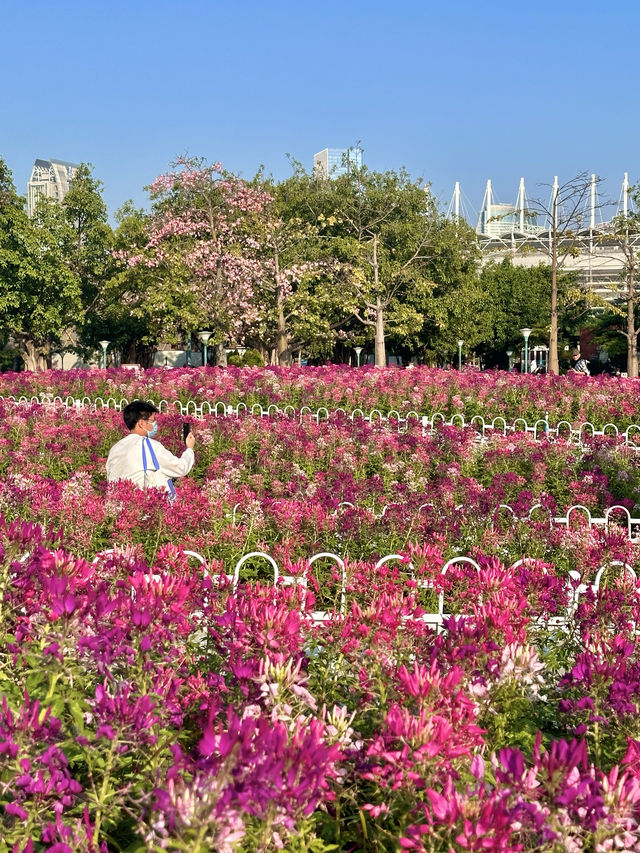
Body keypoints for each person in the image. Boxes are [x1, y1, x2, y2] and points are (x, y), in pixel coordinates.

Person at [106, 400, 195, 497]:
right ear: (141, 423)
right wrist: (189, 449)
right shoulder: (149, 445)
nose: (155, 425)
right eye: (152, 421)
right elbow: (180, 468)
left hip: (118, 504)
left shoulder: (116, 448)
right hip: (144, 503)